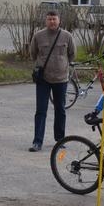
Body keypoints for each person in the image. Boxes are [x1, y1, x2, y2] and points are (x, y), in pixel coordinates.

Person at [29, 9, 75, 152]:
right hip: (43, 79)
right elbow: (33, 54)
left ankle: (60, 139)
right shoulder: (38, 36)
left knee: (60, 109)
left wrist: (63, 65)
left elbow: (72, 54)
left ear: (59, 20)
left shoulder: (67, 36)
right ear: (45, 20)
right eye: (49, 19)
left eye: (54, 19)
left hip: (61, 79)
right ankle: (37, 141)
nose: (52, 21)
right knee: (41, 110)